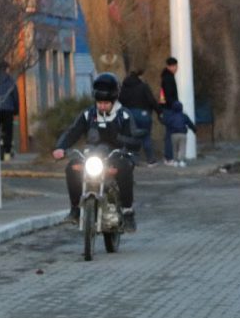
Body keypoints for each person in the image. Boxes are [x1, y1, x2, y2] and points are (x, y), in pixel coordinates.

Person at [52, 73, 141, 231]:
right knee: (71, 167)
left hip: (117, 155)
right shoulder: (88, 114)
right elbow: (73, 131)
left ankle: (128, 213)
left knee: (125, 168)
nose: (102, 106)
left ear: (113, 100)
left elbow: (135, 140)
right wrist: (61, 147)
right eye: (99, 102)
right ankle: (75, 209)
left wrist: (122, 142)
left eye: (106, 103)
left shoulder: (124, 115)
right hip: (92, 155)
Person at [118, 68, 161, 166]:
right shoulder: (143, 86)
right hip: (143, 115)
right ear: (139, 77)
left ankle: (130, 160)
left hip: (128, 114)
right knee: (146, 137)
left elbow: (119, 102)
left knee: (129, 137)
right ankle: (151, 160)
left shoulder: (123, 88)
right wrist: (159, 111)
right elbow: (151, 101)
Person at [162, 101, 196, 167]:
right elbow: (190, 124)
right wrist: (194, 130)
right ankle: (182, 161)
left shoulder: (171, 116)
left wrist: (161, 118)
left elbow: (166, 122)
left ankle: (175, 161)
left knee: (174, 149)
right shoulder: (184, 116)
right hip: (183, 134)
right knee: (182, 148)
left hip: (173, 134)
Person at [0, 62, 19, 161]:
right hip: (8, 109)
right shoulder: (10, 80)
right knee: (8, 132)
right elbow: (15, 96)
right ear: (6, 69)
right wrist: (16, 110)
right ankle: (7, 154)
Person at [159, 57, 179, 165]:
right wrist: (175, 106)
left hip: (166, 108)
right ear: (170, 66)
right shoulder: (168, 78)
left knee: (169, 134)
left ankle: (168, 157)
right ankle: (169, 158)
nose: (176, 68)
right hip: (169, 109)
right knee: (170, 134)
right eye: (175, 66)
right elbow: (168, 95)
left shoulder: (166, 77)